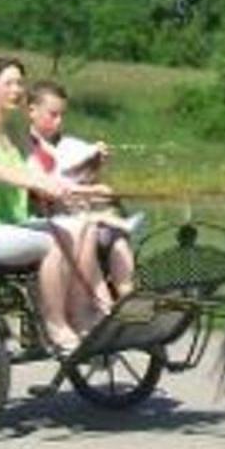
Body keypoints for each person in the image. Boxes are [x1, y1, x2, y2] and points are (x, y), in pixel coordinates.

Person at [0, 56, 111, 354]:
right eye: (8, 83)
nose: (17, 89)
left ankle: (80, 313)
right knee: (54, 242)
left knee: (78, 228)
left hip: (11, 226)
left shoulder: (12, 134)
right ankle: (55, 324)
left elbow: (39, 174)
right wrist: (37, 184)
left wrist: (82, 189)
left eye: (20, 83)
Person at [24, 79, 139, 303]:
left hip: (77, 212)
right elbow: (43, 187)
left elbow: (84, 180)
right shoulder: (26, 148)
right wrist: (89, 190)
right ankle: (103, 305)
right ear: (32, 111)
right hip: (49, 218)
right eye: (53, 114)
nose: (59, 121)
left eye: (62, 115)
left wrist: (95, 166)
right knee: (95, 230)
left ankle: (129, 302)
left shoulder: (69, 144)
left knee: (117, 240)